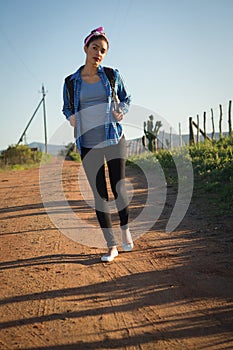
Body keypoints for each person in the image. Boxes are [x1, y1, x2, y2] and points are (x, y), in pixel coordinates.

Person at [62, 26, 133, 262]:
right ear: (86, 48)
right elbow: (67, 107)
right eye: (95, 48)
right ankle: (111, 246)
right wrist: (70, 116)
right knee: (99, 195)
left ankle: (125, 228)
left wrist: (121, 110)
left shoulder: (112, 75)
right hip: (88, 143)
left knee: (118, 187)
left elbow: (126, 98)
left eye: (102, 50)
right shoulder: (70, 82)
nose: (98, 53)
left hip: (113, 138)